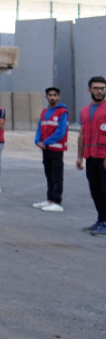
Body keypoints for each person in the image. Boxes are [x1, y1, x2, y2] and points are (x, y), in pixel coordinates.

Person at [76, 75, 106, 235]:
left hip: (104, 157)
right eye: (96, 88)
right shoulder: (84, 111)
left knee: (105, 190)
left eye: (102, 88)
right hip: (90, 156)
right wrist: (79, 156)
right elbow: (82, 134)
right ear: (89, 90)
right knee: (95, 190)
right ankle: (101, 219)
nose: (99, 91)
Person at [34, 86, 67, 212]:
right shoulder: (44, 112)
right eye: (50, 95)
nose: (52, 97)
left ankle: (57, 201)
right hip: (46, 149)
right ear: (46, 97)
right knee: (49, 175)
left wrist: (45, 142)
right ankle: (50, 199)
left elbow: (61, 131)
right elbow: (40, 127)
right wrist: (37, 140)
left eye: (55, 95)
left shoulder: (62, 112)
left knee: (57, 176)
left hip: (56, 149)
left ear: (59, 97)